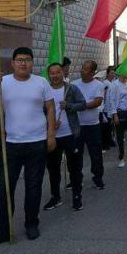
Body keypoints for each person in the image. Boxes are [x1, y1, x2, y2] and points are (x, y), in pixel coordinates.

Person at [0, 47, 56, 248]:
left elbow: (50, 108)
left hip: (37, 142)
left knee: (33, 187)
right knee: (4, 189)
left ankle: (31, 223)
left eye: (27, 59)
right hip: (11, 144)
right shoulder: (3, 82)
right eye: (20, 60)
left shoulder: (41, 82)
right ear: (12, 63)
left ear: (32, 63)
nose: (23, 63)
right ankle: (4, 230)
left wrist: (51, 135)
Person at [43, 62, 87, 212]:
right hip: (52, 136)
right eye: (52, 73)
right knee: (53, 168)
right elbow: (40, 111)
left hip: (71, 135)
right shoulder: (45, 90)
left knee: (74, 168)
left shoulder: (71, 88)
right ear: (48, 75)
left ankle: (77, 196)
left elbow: (83, 104)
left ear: (63, 73)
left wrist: (69, 106)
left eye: (58, 72)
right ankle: (55, 197)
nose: (55, 75)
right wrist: (49, 123)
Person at [73, 61, 106, 189]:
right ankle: (76, 178)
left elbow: (97, 102)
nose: (82, 71)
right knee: (76, 154)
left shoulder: (99, 85)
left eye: (86, 69)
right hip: (77, 125)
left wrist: (78, 106)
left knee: (95, 154)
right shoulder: (74, 84)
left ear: (93, 72)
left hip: (92, 125)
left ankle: (98, 178)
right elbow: (70, 101)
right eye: (82, 68)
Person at [102, 66, 118, 150]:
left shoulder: (114, 82)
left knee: (111, 126)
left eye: (114, 73)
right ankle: (105, 143)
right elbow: (103, 95)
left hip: (112, 106)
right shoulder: (105, 83)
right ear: (107, 73)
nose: (113, 74)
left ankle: (110, 140)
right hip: (106, 107)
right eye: (111, 73)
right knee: (106, 126)